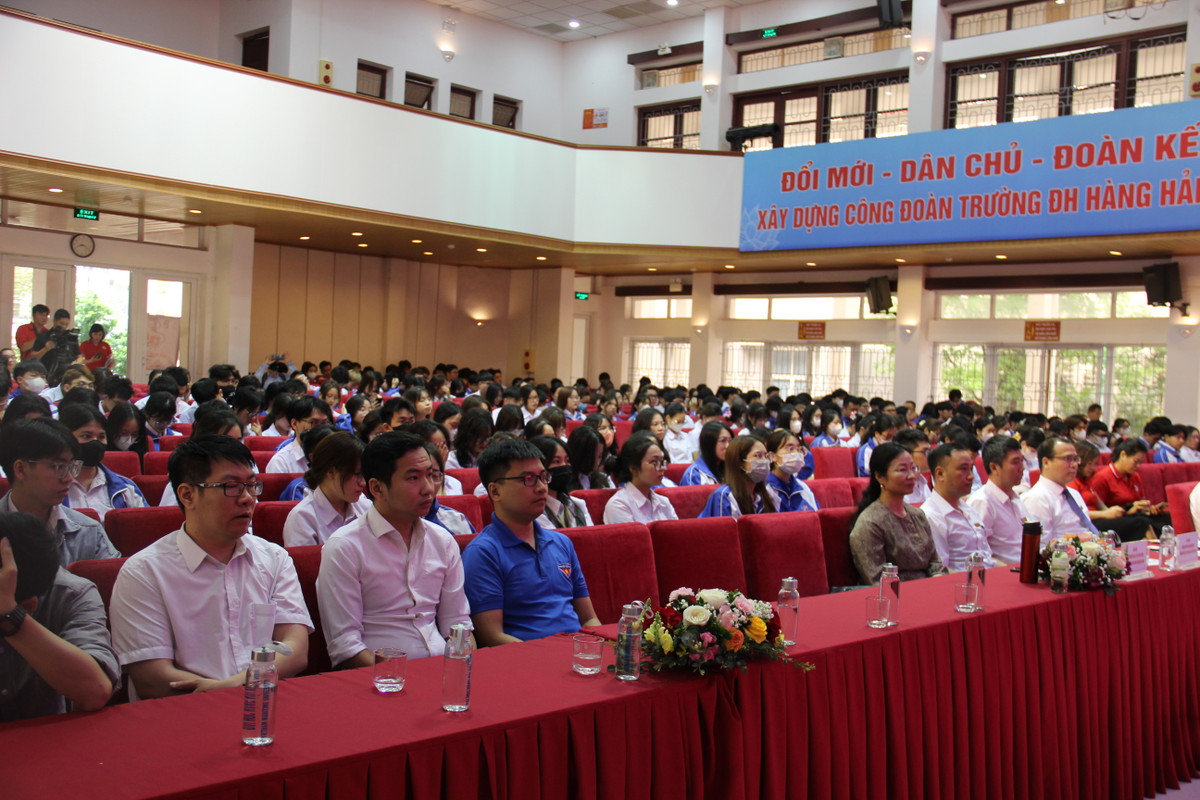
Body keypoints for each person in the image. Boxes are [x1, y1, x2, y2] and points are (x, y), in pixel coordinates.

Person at [109, 435, 312, 700]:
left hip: (265, 704)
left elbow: (295, 649)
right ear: (187, 494)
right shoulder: (144, 572)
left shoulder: (274, 558)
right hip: (183, 713)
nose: (247, 499)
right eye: (231, 487)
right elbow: (152, 678)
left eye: (252, 486)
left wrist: (237, 685)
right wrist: (227, 694)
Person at [315, 432, 472, 666]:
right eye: (413, 478)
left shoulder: (443, 540)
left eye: (431, 475)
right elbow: (346, 647)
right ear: (377, 488)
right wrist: (399, 679)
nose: (429, 488)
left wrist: (462, 671)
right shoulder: (344, 548)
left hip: (442, 669)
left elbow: (458, 626)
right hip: (380, 680)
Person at [462, 438, 600, 645]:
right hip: (527, 663)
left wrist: (601, 647)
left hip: (576, 655)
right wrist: (554, 657)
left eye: (543, 477)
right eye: (528, 479)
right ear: (495, 491)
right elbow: (490, 636)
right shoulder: (483, 553)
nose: (542, 488)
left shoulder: (562, 543)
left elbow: (589, 618)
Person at [0, 512, 118, 722]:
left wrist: (11, 618)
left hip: (44, 737)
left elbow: (95, 691)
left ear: (29, 607)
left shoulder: (73, 594)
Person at [0, 418, 119, 566]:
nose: (69, 478)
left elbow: (112, 583)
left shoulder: (89, 532)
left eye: (71, 466)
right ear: (20, 469)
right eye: (58, 467)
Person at [848, 442, 947, 585]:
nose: (912, 476)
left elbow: (935, 563)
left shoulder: (917, 515)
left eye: (913, 468)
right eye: (902, 470)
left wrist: (937, 582)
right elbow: (877, 580)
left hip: (930, 590)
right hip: (896, 597)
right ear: (880, 477)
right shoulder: (870, 523)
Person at [282, 432, 370, 546]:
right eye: (357, 474)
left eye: (364, 474)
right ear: (331, 472)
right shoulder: (303, 518)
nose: (363, 483)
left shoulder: (366, 507)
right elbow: (306, 563)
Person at [59, 405, 146, 519]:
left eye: (101, 437)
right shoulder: (51, 487)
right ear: (66, 438)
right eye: (86, 436)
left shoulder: (126, 488)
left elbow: (144, 527)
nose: (95, 442)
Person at [921, 442, 993, 572]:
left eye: (971, 469)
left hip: (987, 577)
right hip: (963, 586)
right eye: (963, 469)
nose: (971, 476)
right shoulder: (930, 515)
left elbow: (988, 559)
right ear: (940, 473)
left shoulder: (968, 508)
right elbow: (940, 570)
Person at [1070, 439, 1153, 544]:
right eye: (1089, 464)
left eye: (1095, 464)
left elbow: (1103, 507)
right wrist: (1105, 514)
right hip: (1088, 523)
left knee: (1145, 518)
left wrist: (1120, 512)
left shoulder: (1087, 482)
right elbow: (1076, 513)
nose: (1093, 468)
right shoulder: (1073, 483)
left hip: (1101, 518)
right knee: (1141, 523)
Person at [1021, 437, 1100, 546]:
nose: (1074, 465)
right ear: (1046, 462)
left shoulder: (1074, 494)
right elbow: (1041, 547)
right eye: (1068, 459)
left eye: (1076, 459)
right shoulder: (1036, 498)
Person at [965, 435, 1030, 565]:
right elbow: (976, 553)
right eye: (1015, 462)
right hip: (1004, 572)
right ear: (994, 467)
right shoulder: (982, 502)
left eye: (1022, 461)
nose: (1022, 468)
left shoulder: (1015, 497)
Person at [1088, 437, 1170, 535]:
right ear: (1123, 455)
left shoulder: (1135, 476)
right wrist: (1128, 511)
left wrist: (1150, 509)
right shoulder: (1102, 477)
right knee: (1142, 522)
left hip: (1135, 516)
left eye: (1141, 462)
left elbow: (1140, 503)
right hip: (1115, 520)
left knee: (1167, 519)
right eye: (1136, 461)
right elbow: (1100, 510)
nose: (1138, 466)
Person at [602, 432, 679, 524]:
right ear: (633, 468)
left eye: (662, 462)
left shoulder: (664, 503)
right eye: (654, 462)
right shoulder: (619, 505)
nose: (661, 468)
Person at [698, 434, 777, 519]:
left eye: (766, 456)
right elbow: (724, 531)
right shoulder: (724, 496)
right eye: (758, 455)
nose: (765, 461)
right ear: (740, 463)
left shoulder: (763, 494)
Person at [528, 435, 593, 529]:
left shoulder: (578, 504)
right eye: (556, 461)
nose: (564, 466)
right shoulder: (534, 512)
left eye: (567, 461)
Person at [265, 396, 332, 473]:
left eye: (325, 423)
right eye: (313, 422)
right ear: (294, 424)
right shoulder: (280, 462)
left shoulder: (336, 454)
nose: (321, 429)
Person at [764, 428, 819, 513]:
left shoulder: (803, 487)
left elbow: (818, 518)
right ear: (773, 456)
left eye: (799, 449)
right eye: (790, 449)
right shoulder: (764, 490)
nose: (796, 454)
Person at [679, 421, 732, 486]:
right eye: (722, 441)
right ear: (709, 443)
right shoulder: (694, 474)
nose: (728, 446)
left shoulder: (731, 469)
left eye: (730, 441)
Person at [564, 424, 612, 491]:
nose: (597, 463)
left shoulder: (603, 479)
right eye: (592, 457)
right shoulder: (564, 482)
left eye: (599, 456)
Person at [894, 428, 932, 504]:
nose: (930, 456)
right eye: (925, 451)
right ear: (907, 454)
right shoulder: (898, 488)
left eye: (930, 451)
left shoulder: (921, 480)